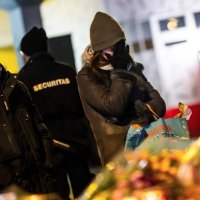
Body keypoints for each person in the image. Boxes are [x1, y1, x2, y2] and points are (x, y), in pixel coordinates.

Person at [77, 12, 166, 167]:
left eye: (120, 45)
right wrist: (121, 72)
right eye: (113, 48)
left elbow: (158, 101)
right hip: (118, 156)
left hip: (146, 147)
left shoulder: (130, 67)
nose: (118, 52)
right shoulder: (87, 75)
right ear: (100, 49)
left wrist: (145, 111)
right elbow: (114, 106)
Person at [17, 27, 95, 198]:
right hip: (78, 144)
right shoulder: (66, 71)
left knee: (58, 194)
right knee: (86, 192)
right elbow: (83, 107)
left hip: (49, 149)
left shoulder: (22, 80)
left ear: (26, 53)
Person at [0, 63, 69, 199]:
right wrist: (7, 181)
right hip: (12, 187)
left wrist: (49, 162)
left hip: (41, 176)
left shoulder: (17, 87)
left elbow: (40, 127)